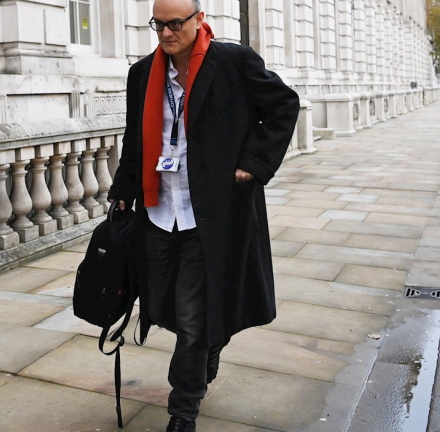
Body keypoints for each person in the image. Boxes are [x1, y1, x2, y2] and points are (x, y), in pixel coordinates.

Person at [107, 0, 300, 430]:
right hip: (159, 211)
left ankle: (183, 409)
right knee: (164, 306)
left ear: (199, 19)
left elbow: (284, 106)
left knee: (193, 315)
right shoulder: (142, 74)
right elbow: (135, 139)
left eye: (175, 23)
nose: (166, 33)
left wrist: (254, 162)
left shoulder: (233, 62)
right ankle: (211, 345)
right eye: (158, 24)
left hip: (211, 214)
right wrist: (122, 192)